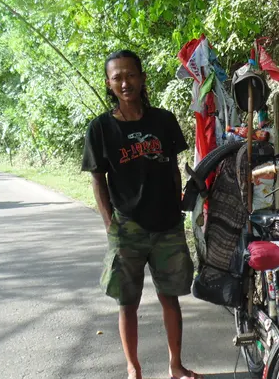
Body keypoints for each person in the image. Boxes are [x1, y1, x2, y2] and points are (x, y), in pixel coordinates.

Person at [81, 50, 201, 379]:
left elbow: (175, 170)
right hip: (127, 226)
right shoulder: (101, 129)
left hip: (167, 225)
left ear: (142, 77)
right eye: (117, 77)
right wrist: (110, 225)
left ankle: (175, 365)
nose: (125, 82)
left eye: (130, 74)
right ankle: (133, 369)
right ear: (108, 83)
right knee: (127, 302)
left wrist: (177, 210)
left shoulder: (163, 121)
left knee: (170, 297)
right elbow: (97, 179)